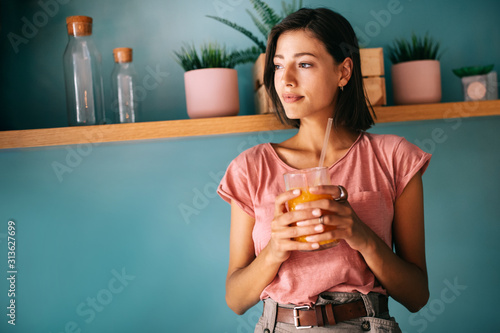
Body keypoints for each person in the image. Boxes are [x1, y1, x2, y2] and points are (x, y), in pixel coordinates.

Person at [217, 7, 431, 333]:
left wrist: (360, 235)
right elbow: (236, 299)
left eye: (304, 64)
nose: (286, 79)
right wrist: (275, 250)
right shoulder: (250, 167)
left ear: (344, 72)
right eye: (278, 65)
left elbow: (417, 296)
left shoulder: (395, 157)